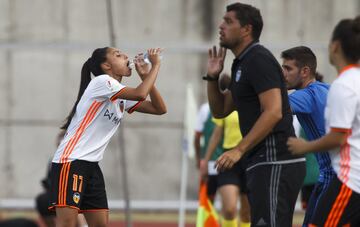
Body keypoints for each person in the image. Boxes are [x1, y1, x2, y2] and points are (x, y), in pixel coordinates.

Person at [205, 3, 306, 226]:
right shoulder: (241, 63)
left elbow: (274, 111)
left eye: (229, 21)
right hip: (262, 162)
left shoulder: (258, 59)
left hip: (276, 160)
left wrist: (238, 150)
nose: (221, 26)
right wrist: (213, 77)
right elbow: (220, 109)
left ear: (246, 29)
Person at [48, 47, 166, 227]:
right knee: (67, 224)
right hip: (71, 162)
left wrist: (145, 77)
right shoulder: (102, 82)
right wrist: (155, 65)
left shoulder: (120, 96)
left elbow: (160, 109)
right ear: (106, 66)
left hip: (92, 166)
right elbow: (141, 93)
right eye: (118, 55)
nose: (126, 56)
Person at [288, 16, 360, 226]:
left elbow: (338, 138)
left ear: (335, 46)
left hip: (349, 180)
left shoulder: (343, 85)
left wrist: (305, 146)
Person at [280, 46, 336, 226]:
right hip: (338, 173)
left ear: (305, 71)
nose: (283, 74)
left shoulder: (305, 95)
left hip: (333, 174)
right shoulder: (326, 88)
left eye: (288, 68)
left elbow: (271, 109)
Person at [201, 108, 251, 227]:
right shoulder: (227, 104)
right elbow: (216, 135)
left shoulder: (254, 100)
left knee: (247, 213)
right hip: (228, 158)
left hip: (250, 157)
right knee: (229, 209)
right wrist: (206, 161)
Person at [194, 102, 224, 203]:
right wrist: (200, 159)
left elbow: (197, 137)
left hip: (230, 163)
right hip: (212, 163)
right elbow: (197, 136)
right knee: (208, 200)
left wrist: (199, 159)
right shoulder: (206, 109)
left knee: (229, 203)